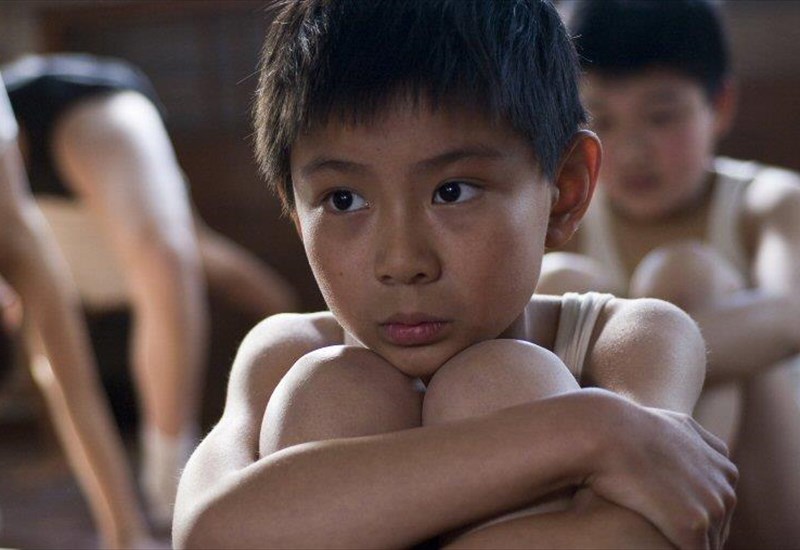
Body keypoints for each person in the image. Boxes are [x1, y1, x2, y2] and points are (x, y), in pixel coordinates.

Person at [174, 1, 737, 548]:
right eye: (343, 199)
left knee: (503, 377)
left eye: (452, 191)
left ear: (564, 189)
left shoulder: (629, 341)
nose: (402, 261)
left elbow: (642, 533)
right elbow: (207, 531)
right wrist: (587, 430)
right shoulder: (283, 352)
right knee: (334, 386)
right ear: (296, 212)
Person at [538, 1, 800, 547]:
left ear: (719, 105)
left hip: (772, 495)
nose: (633, 150)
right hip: (607, 472)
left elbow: (791, 314)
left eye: (661, 117)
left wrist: (647, 349)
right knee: (560, 280)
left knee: (685, 274)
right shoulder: (569, 221)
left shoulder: (767, 204)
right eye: (603, 121)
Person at [1, 53, 299, 527]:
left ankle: (171, 465)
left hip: (69, 107)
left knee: (174, 256)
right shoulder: (23, 262)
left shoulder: (75, 122)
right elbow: (65, 376)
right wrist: (124, 530)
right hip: (32, 174)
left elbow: (167, 261)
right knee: (181, 259)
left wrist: (168, 473)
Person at [1, 75, 160, 548]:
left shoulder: (23, 242)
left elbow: (73, 385)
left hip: (76, 110)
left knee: (66, 372)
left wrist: (127, 535)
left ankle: (127, 531)